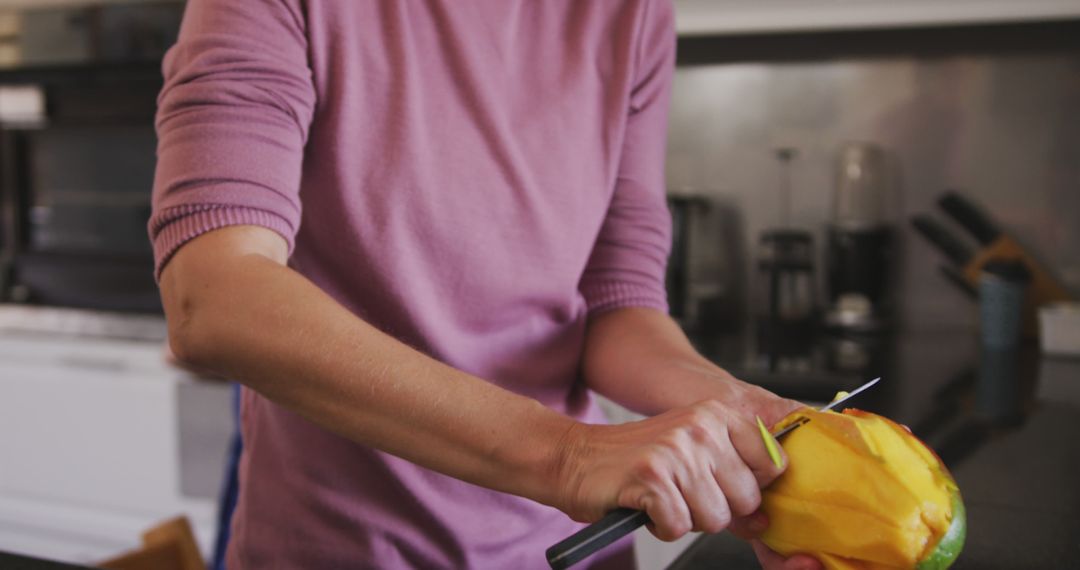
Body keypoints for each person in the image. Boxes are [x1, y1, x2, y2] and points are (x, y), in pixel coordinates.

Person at [149, 1, 821, 568]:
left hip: (568, 545)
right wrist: (568, 458)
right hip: (345, 545)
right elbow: (215, 295)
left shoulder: (631, 13)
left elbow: (617, 306)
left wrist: (740, 412)